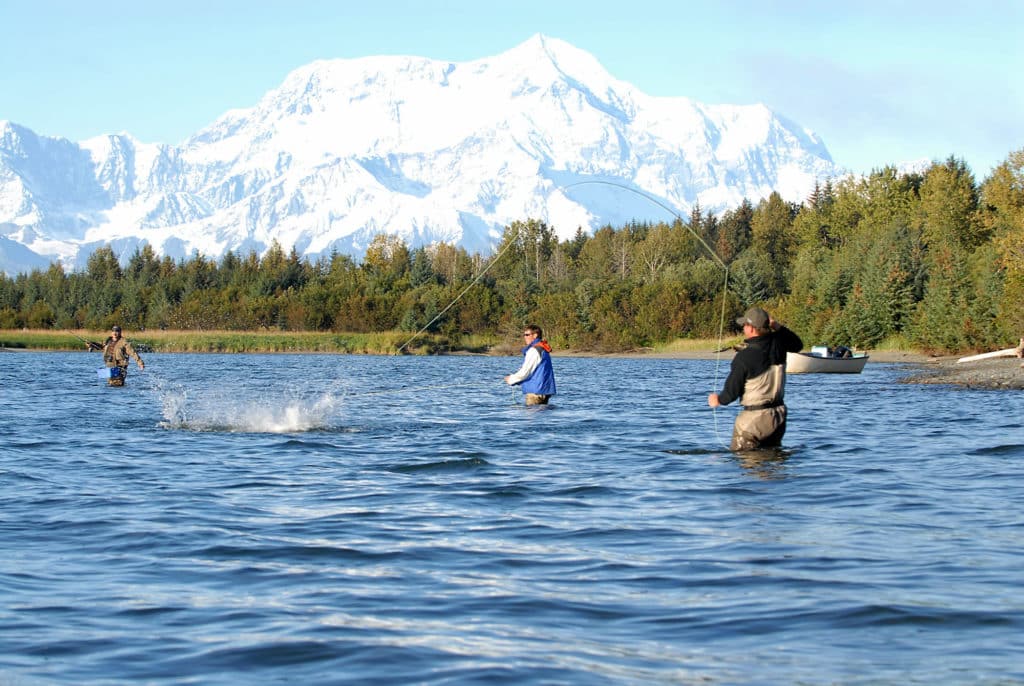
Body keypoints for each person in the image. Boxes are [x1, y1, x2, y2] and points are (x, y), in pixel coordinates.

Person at [707, 307, 802, 450]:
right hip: (778, 417)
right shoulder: (779, 345)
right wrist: (777, 326)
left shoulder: (744, 357)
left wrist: (717, 400)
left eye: (745, 325)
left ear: (751, 328)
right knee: (772, 467)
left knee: (747, 464)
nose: (743, 328)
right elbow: (797, 345)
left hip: (753, 420)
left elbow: (730, 394)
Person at [504, 324, 557, 405]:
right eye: (524, 335)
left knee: (532, 416)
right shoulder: (542, 349)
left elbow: (526, 371)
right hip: (543, 391)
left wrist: (511, 379)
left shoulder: (534, 350)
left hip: (535, 393)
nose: (525, 337)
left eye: (527, 335)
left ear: (535, 335)